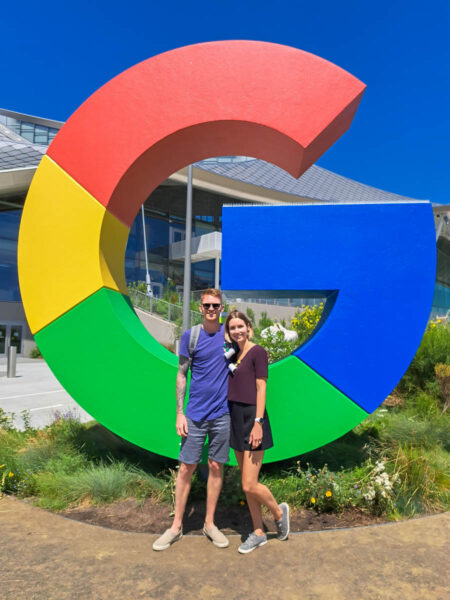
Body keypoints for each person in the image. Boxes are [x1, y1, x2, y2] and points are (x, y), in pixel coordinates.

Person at [153, 289, 230, 551]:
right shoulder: (191, 336)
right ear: (200, 307)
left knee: (217, 467)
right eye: (207, 305)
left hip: (222, 415)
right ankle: (175, 526)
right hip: (195, 416)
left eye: (216, 305)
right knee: (186, 468)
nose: (211, 309)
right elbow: (181, 374)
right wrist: (179, 412)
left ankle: (209, 524)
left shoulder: (229, 335)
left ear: (222, 308)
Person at [225, 310, 290, 554]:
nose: (237, 331)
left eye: (240, 326)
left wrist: (258, 422)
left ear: (248, 327)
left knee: (250, 484)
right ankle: (259, 532)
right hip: (234, 417)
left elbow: (261, 388)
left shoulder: (257, 352)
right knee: (245, 484)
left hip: (252, 418)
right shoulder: (233, 354)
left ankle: (278, 512)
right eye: (232, 327)